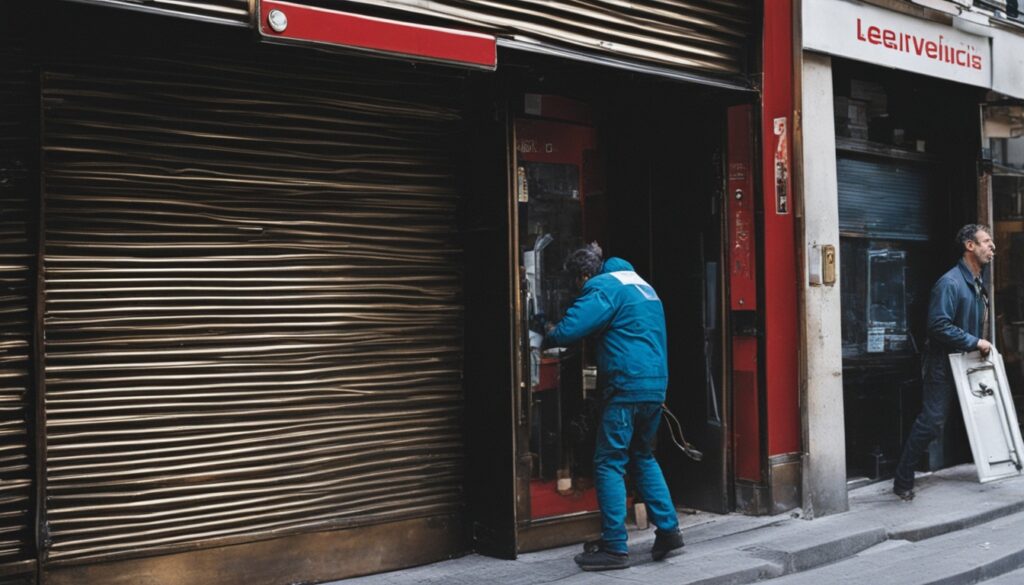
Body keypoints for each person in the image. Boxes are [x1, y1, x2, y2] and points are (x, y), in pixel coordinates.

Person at [544, 242, 684, 570]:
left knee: (608, 461)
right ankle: (669, 529)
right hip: (654, 385)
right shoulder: (642, 285)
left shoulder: (604, 286)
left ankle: (615, 547)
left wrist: (547, 333)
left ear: (584, 275)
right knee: (643, 455)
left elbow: (570, 330)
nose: (579, 290)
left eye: (577, 284)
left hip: (625, 385)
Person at [892, 224, 996, 501]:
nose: (992, 247)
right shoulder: (950, 283)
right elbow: (938, 325)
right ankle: (902, 480)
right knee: (932, 421)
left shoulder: (976, 282)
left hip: (967, 361)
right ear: (969, 245)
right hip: (942, 362)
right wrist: (975, 342)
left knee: (985, 412)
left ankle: (998, 466)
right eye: (986, 241)